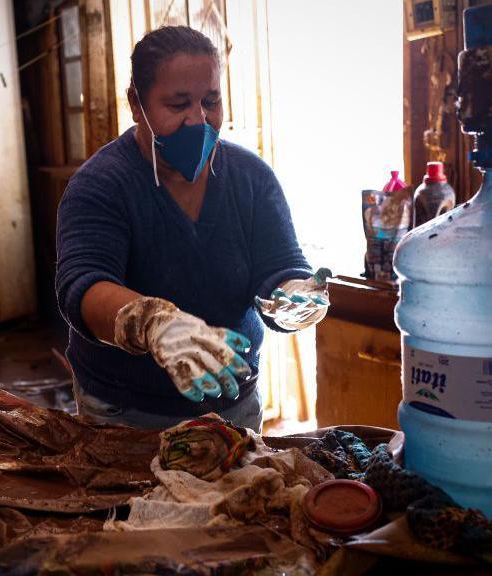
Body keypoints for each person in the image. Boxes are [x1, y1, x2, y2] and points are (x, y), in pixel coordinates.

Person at [55, 26, 329, 432]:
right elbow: (82, 287)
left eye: (211, 101)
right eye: (178, 104)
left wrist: (295, 297)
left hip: (234, 406)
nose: (198, 120)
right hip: (124, 414)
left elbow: (280, 264)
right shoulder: (102, 185)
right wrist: (152, 323)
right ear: (136, 102)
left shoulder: (250, 178)